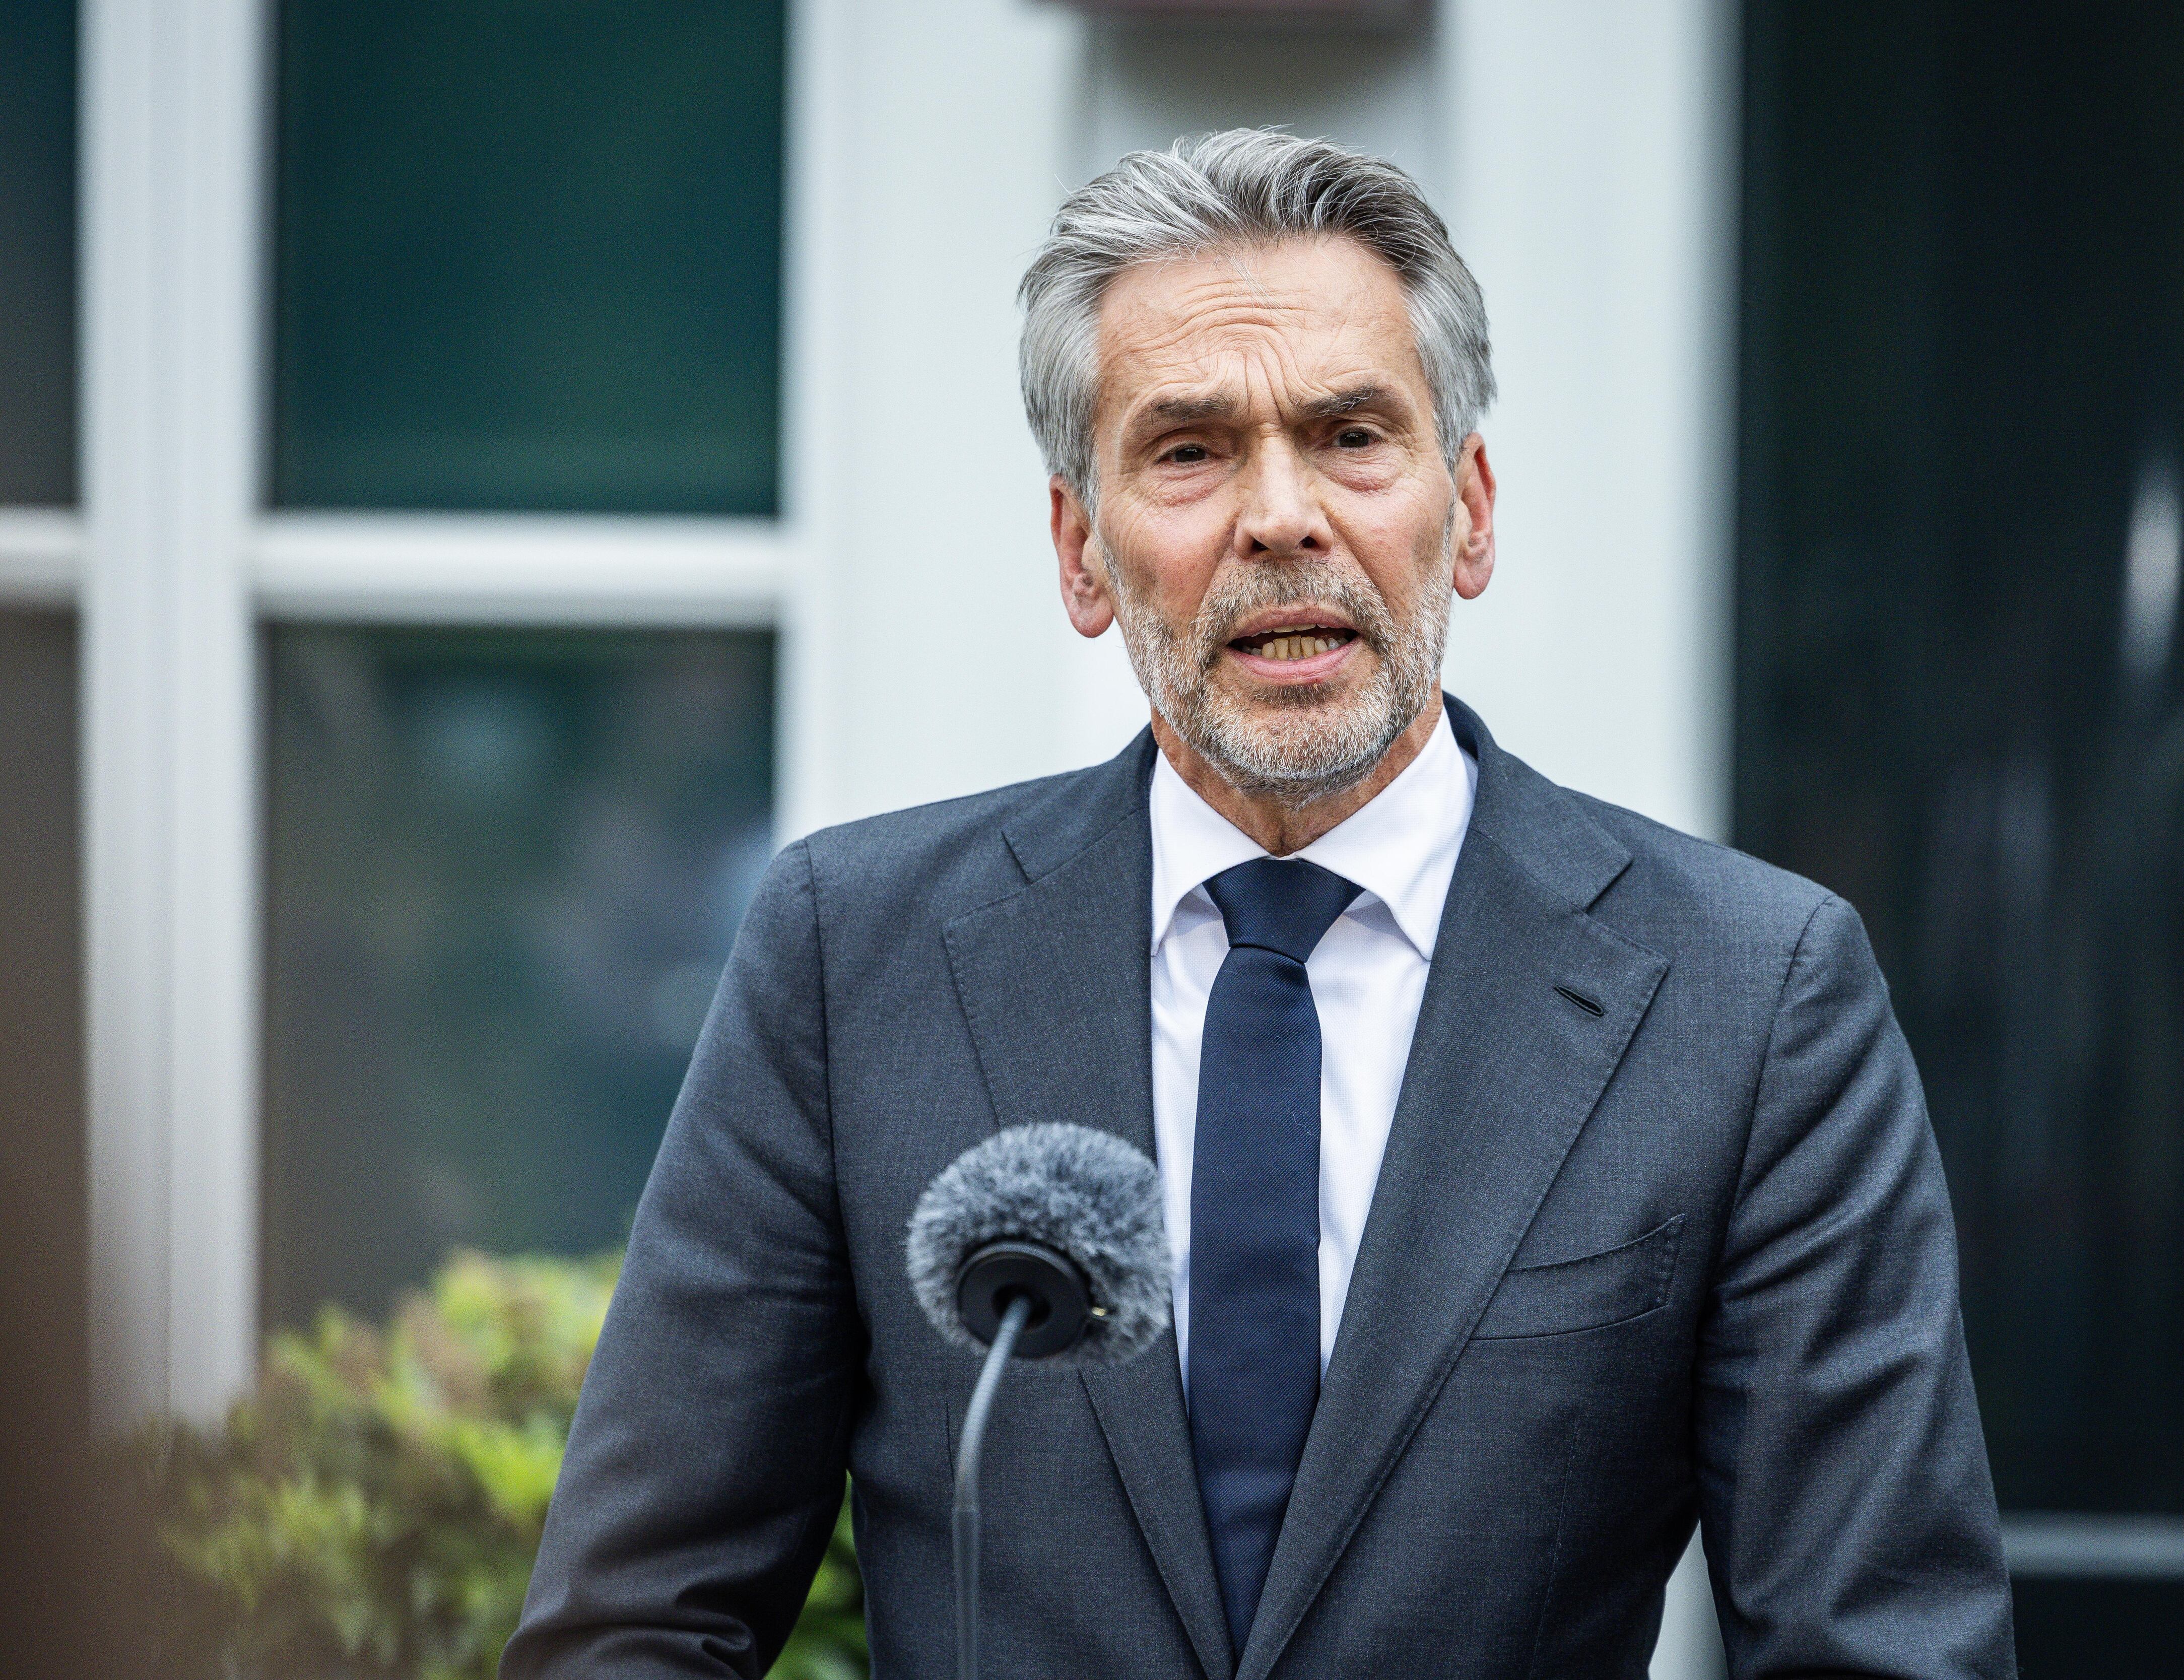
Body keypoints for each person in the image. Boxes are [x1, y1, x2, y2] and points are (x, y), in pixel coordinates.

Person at [505, 130, 2015, 1680]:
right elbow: (635, 1628)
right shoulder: (850, 955)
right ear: (1081, 549)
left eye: (1354, 434)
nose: (1282, 514)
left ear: (1471, 511)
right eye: (1189, 450)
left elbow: (1883, 1649)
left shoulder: (1752, 999)